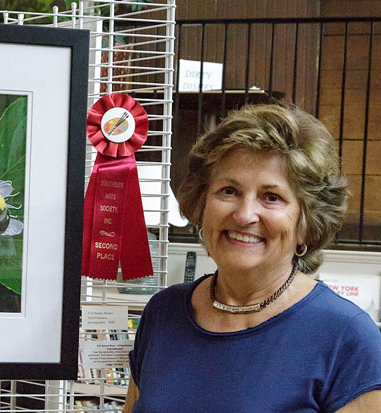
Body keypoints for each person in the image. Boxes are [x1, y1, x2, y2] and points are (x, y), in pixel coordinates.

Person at [125, 104, 381, 412]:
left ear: (307, 222)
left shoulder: (347, 336)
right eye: (229, 190)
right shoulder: (162, 313)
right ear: (202, 204)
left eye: (271, 197)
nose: (245, 215)